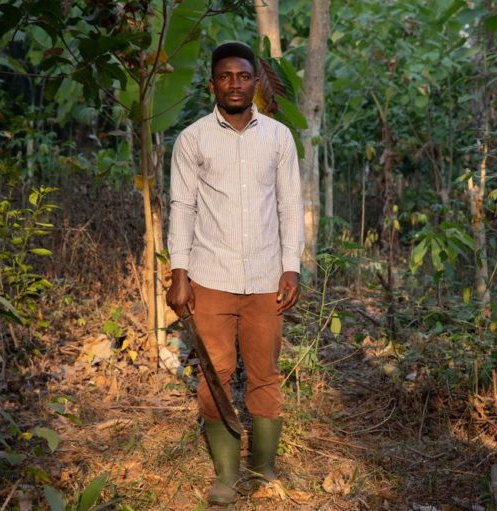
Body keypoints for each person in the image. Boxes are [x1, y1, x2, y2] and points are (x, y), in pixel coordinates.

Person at [165, 41, 304, 505]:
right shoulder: (193, 139)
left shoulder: (279, 138)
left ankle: (262, 469)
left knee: (264, 374)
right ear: (213, 84)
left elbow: (289, 205)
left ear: (255, 82)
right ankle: (226, 475)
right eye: (225, 76)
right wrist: (179, 272)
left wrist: (291, 268)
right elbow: (181, 207)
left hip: (266, 277)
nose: (235, 84)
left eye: (243, 76)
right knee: (215, 374)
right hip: (211, 274)